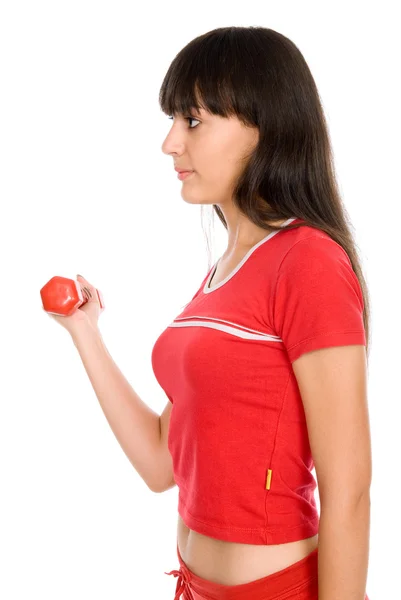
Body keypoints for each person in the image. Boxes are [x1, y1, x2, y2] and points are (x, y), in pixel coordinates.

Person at [47, 26, 371, 600]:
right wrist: (84, 332)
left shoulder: (309, 261)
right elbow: (158, 464)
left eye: (192, 120)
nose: (171, 143)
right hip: (193, 587)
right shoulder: (222, 276)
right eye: (174, 120)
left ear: (263, 129)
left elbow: (348, 489)